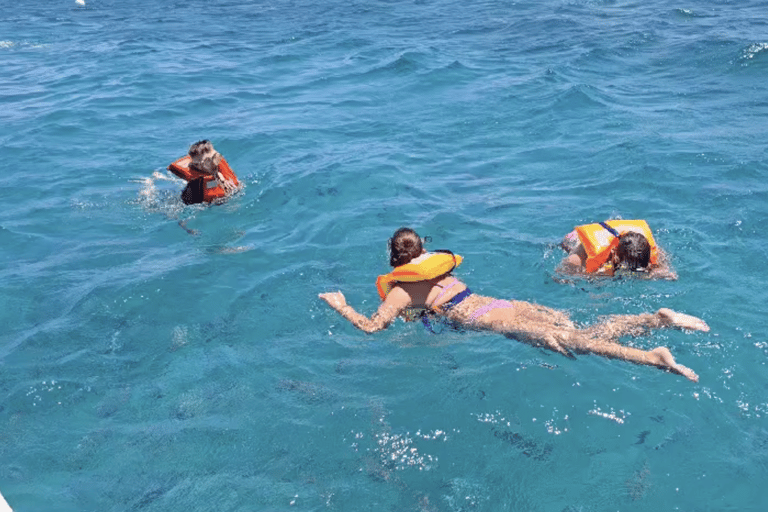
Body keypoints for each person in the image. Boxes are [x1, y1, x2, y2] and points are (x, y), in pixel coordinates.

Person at [319, 227, 709, 382]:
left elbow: (373, 327)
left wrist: (341, 306)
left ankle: (653, 358)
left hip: (484, 319)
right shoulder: (434, 264)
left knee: (574, 342)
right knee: (575, 331)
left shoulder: (404, 289)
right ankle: (654, 319)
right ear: (421, 248)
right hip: (498, 303)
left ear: (394, 257)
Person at [558, 219, 676, 279]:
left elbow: (668, 272)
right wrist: (596, 276)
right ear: (614, 254)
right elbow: (562, 275)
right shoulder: (577, 257)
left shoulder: (646, 250)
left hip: (616, 235)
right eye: (627, 267)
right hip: (574, 240)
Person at [167, 140, 240, 205]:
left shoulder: (215, 158)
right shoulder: (197, 176)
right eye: (196, 164)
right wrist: (219, 178)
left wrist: (220, 176)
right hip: (197, 196)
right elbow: (210, 182)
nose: (199, 166)